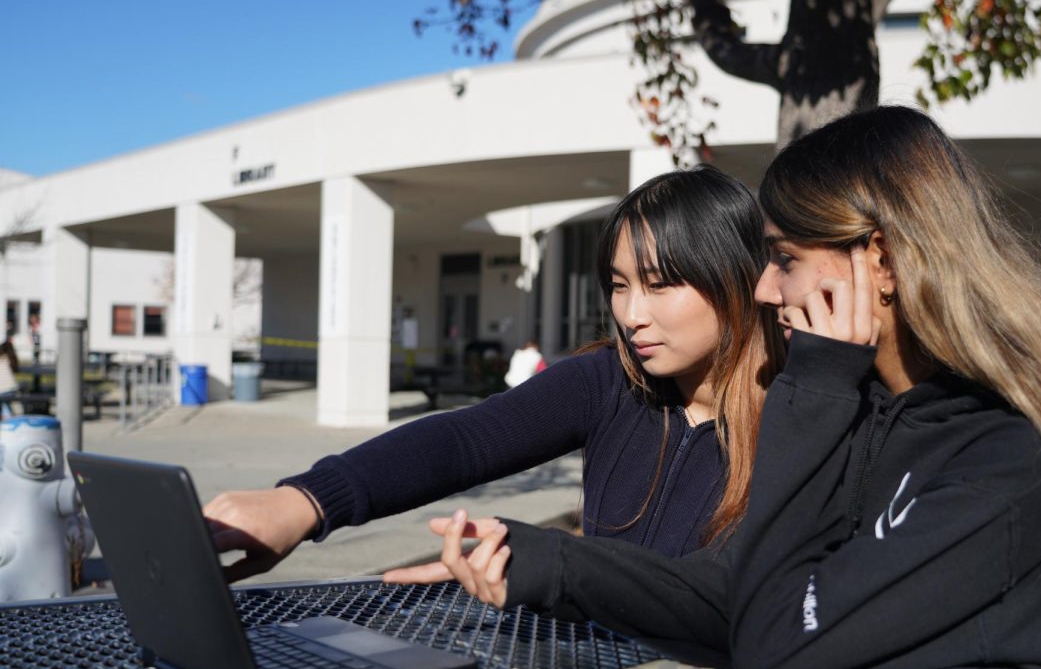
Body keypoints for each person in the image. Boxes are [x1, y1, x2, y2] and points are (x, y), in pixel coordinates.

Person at [425, 107, 1041, 669]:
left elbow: (770, 639)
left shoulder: (1000, 458)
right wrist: (547, 560)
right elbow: (734, 588)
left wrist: (815, 385)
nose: (764, 285)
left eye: (784, 257)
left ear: (880, 263)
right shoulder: (870, 416)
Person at [204, 165, 785, 581]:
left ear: (737, 278)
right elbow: (465, 439)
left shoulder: (807, 413)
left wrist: (551, 567)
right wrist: (307, 501)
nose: (632, 314)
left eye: (661, 284)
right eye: (619, 285)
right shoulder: (608, 381)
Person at [0, 333, 19, 418]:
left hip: (2, 390)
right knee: (7, 407)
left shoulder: (2, 359)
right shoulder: (11, 359)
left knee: (5, 406)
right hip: (12, 388)